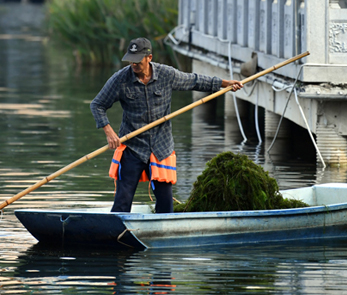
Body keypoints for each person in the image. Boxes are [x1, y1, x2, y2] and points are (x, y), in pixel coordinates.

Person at [90, 38, 243, 213]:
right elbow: (97, 105)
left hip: (161, 147)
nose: (133, 64)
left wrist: (225, 84)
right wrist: (109, 132)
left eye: (138, 60)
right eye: (131, 60)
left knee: (165, 201)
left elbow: (195, 81)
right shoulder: (121, 79)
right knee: (123, 199)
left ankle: (163, 231)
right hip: (133, 147)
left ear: (149, 57)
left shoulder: (166, 75)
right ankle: (115, 232)